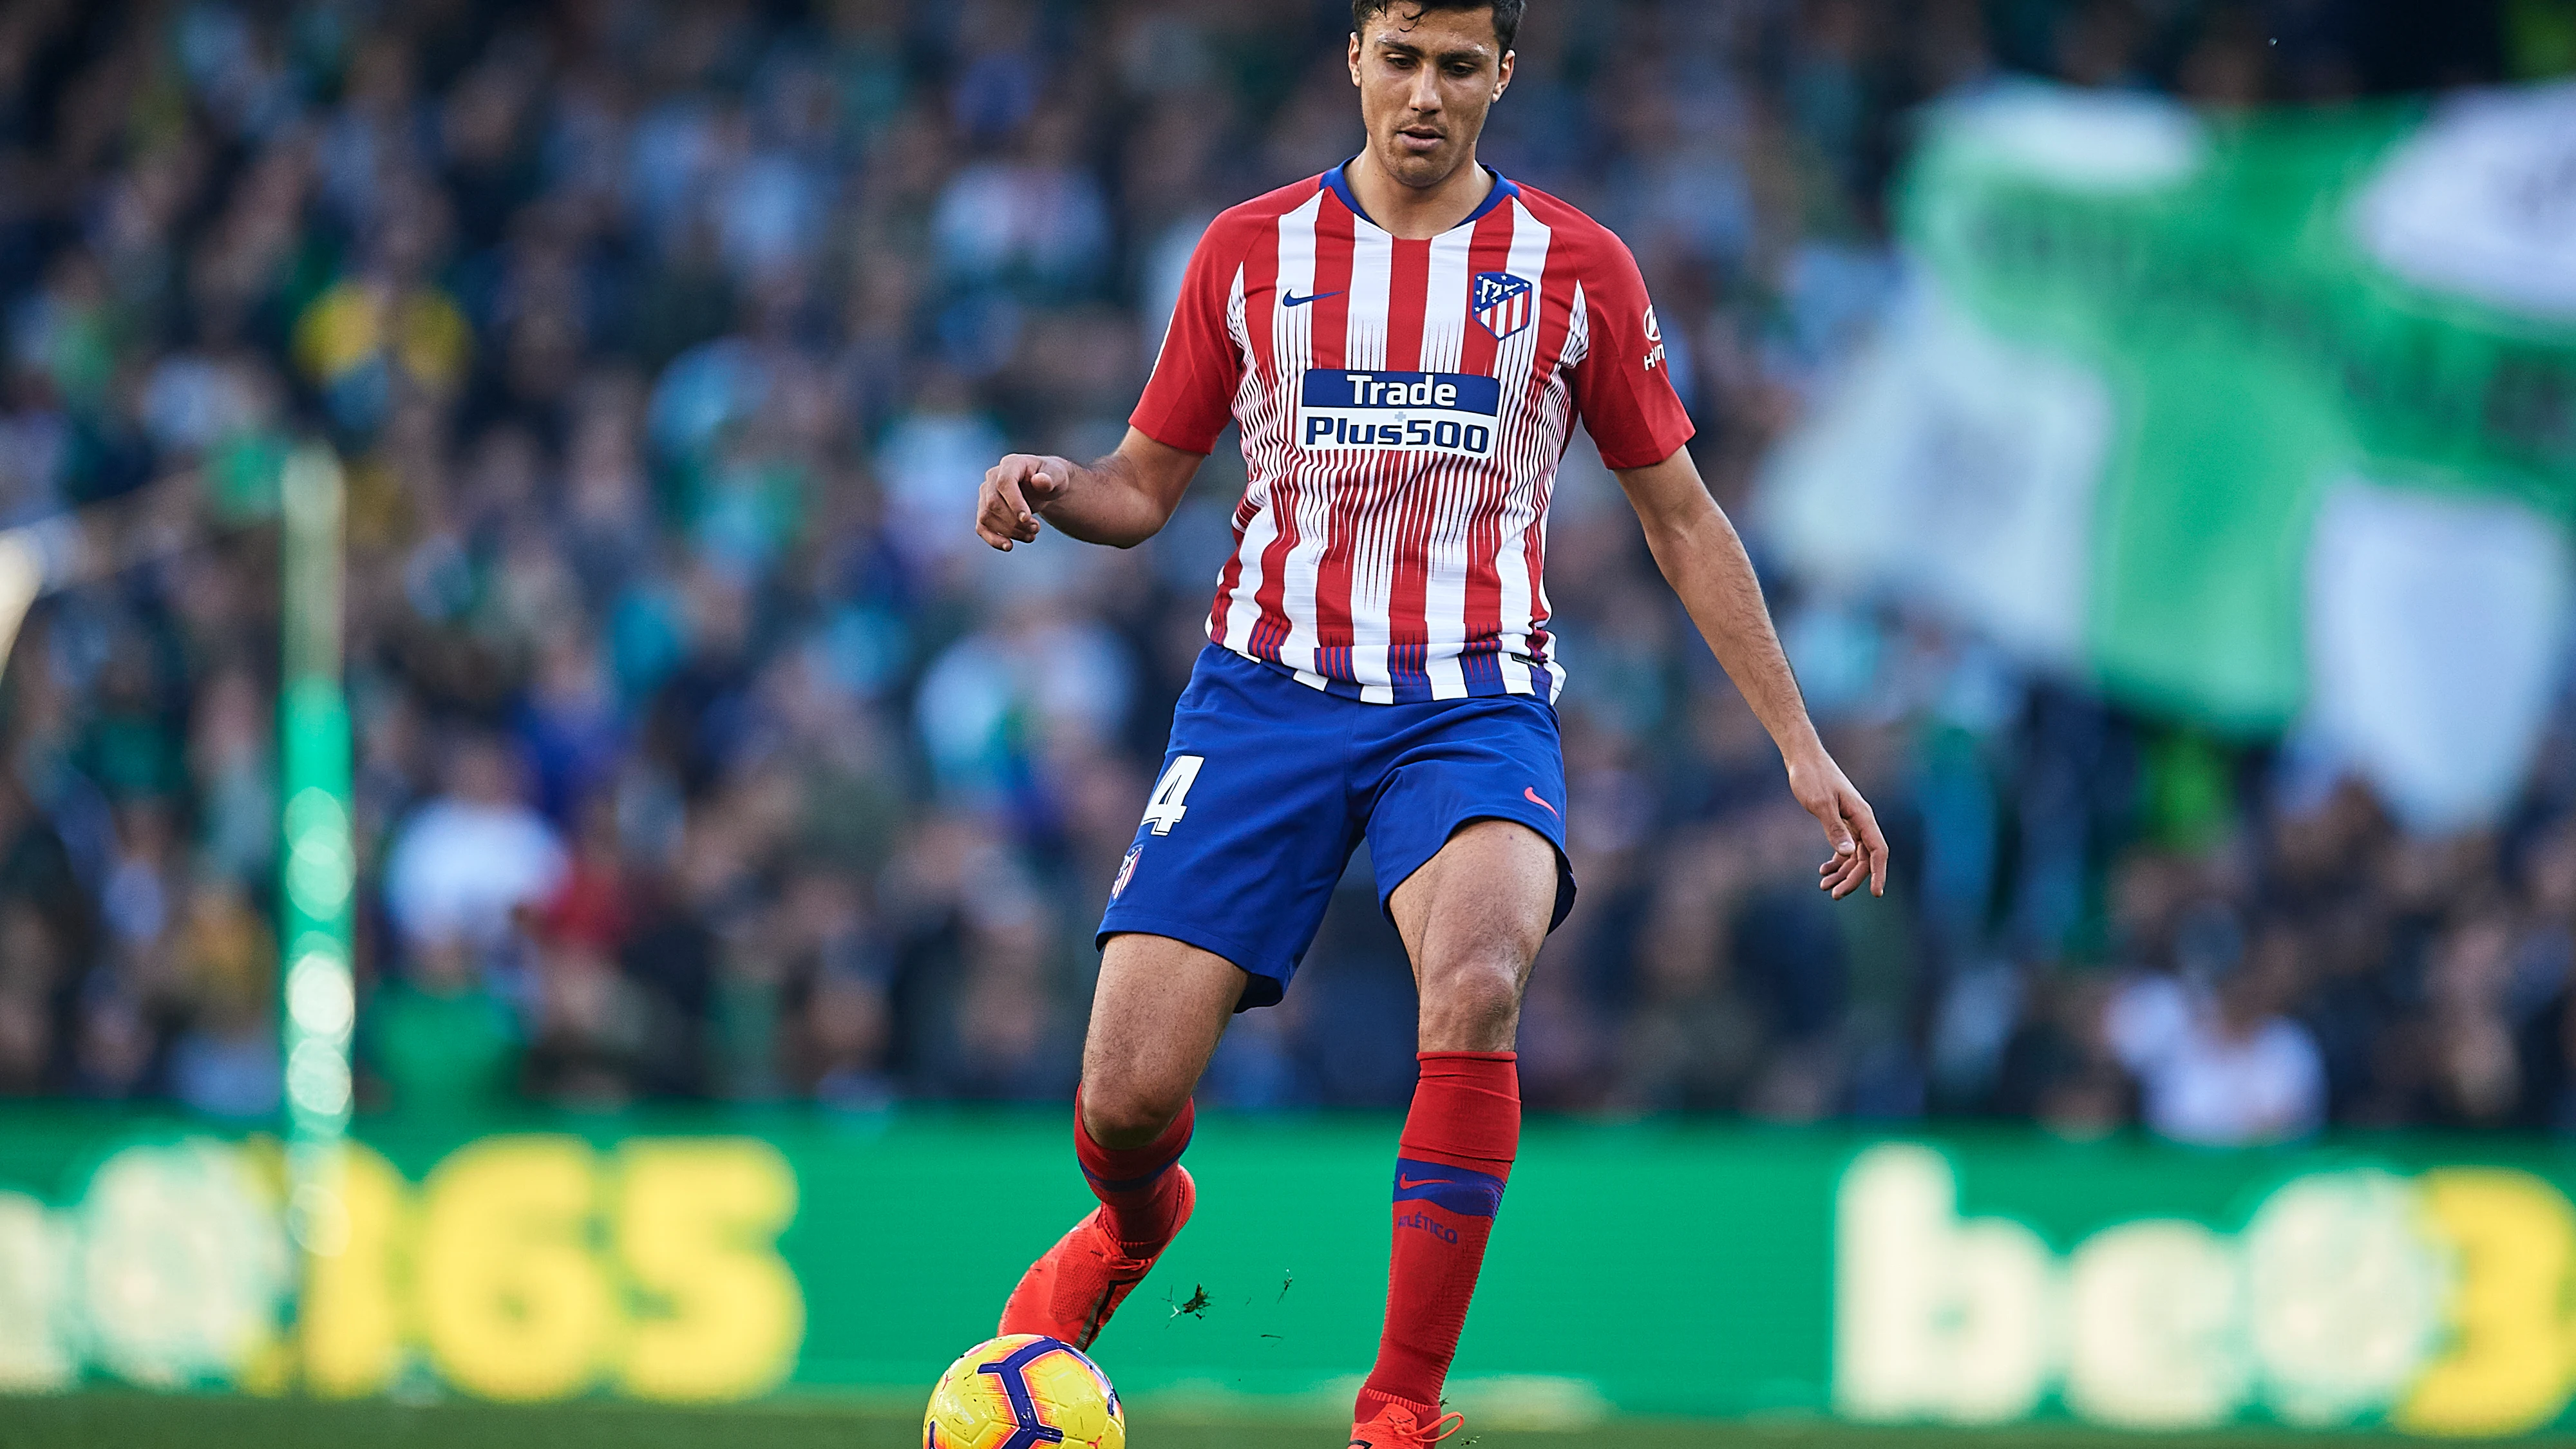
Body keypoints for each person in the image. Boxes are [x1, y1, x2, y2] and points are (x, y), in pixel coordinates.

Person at [971, 4, 1888, 1444]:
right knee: (1127, 1103)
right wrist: (1049, 482)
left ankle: (1396, 1412)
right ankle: (1133, 1233)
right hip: (1263, 700)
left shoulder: (1574, 269)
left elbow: (1682, 520)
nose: (1423, 93)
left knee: (1473, 985)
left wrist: (1798, 742)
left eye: (1457, 66)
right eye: (1400, 58)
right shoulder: (1244, 253)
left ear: (1501, 77)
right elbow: (1142, 489)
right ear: (1354, 56)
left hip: (1470, 705)